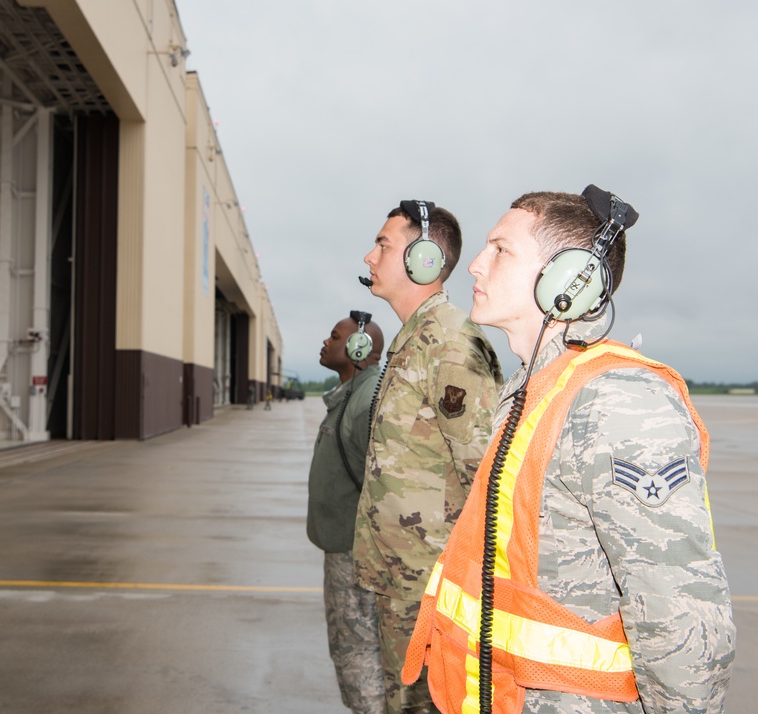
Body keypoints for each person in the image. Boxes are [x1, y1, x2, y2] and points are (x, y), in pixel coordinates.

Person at [403, 188, 736, 713]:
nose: (474, 265)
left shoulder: (618, 399)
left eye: (500, 249)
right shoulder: (535, 388)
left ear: (571, 278)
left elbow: (681, 611)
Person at [355, 200, 502, 714]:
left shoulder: (453, 344)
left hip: (432, 586)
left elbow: (486, 474)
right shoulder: (412, 339)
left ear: (423, 260)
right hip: (401, 579)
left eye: (384, 245)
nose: (370, 257)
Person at [307, 311, 388, 714]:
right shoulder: (351, 396)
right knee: (352, 650)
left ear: (359, 349)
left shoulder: (366, 402)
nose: (326, 341)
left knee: (358, 652)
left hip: (356, 558)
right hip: (345, 551)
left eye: (335, 336)